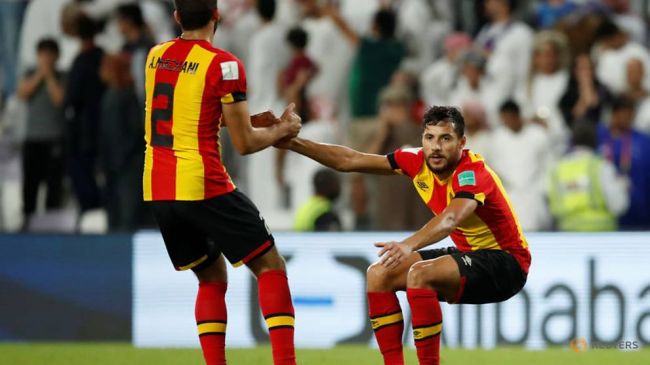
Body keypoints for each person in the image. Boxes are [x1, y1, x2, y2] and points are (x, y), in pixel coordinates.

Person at [277, 106, 530, 365]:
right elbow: (349, 160)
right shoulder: (416, 161)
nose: (436, 147)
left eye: (446, 138)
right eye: (429, 137)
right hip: (471, 255)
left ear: (462, 142)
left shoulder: (472, 173)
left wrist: (408, 244)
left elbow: (451, 219)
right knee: (379, 274)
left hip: (507, 263)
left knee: (419, 274)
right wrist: (293, 143)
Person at [143, 1, 301, 364]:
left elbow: (183, 110)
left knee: (211, 275)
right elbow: (245, 146)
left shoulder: (155, 57)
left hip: (159, 187)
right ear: (218, 16)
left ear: (177, 17)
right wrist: (281, 129)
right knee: (270, 266)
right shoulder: (225, 65)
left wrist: (242, 118)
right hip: (203, 182)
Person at [16, 38, 65, 230]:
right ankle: (27, 222)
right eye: (42, 55)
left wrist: (49, 76)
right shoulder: (30, 74)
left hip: (54, 139)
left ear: (56, 56)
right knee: (30, 185)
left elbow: (59, 100)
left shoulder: (62, 76)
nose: (45, 59)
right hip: (32, 139)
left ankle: (51, 225)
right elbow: (22, 94)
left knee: (54, 186)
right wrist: (40, 74)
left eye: (49, 55)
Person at [547, 122, 629, 231]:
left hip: (566, 237)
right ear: (595, 141)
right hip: (601, 237)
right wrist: (623, 187)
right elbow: (619, 205)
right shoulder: (601, 167)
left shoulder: (557, 169)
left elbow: (550, 204)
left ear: (572, 142)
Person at [63, 14, 105, 226]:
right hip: (99, 127)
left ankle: (91, 215)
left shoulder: (82, 61)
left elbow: (72, 98)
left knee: (82, 173)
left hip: (82, 131)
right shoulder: (101, 56)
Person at [487, 100, 553, 231]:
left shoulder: (538, 134)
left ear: (516, 116)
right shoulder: (496, 138)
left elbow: (548, 163)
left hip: (534, 193)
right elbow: (492, 166)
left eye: (508, 118)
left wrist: (543, 188)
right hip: (508, 192)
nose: (506, 122)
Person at [98, 53, 144, 232]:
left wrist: (119, 159)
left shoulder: (127, 96)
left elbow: (135, 133)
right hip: (112, 167)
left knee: (128, 215)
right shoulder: (108, 96)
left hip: (129, 167)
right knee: (113, 214)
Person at [598, 96, 650, 229]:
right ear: (614, 113)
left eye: (631, 116)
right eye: (625, 115)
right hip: (604, 215)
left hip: (639, 213)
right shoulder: (598, 137)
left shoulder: (643, 141)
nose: (628, 120)